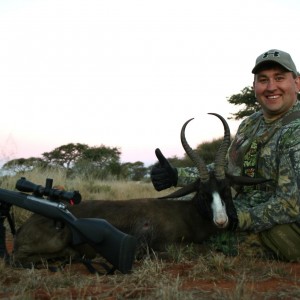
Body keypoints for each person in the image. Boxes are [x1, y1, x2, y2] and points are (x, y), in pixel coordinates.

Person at [151, 49, 300, 261]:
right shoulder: (251, 123)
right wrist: (176, 175)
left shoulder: (296, 130)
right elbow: (227, 169)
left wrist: (237, 218)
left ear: (297, 83)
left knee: (197, 239)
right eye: (263, 79)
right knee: (179, 206)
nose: (271, 87)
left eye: (279, 78)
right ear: (254, 86)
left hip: (281, 222)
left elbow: (292, 206)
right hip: (241, 208)